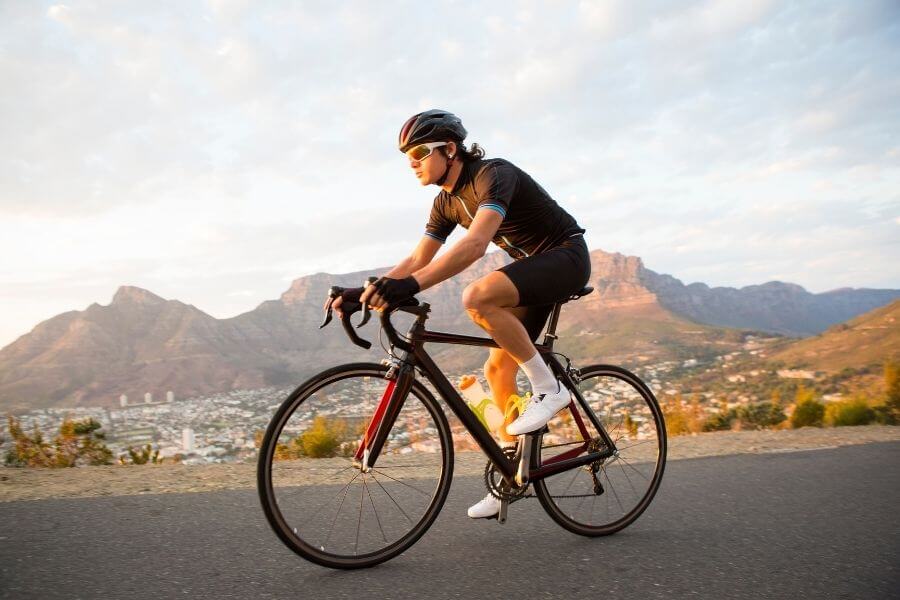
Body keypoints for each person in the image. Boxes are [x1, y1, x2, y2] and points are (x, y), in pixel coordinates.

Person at [331, 109, 591, 519]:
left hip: (565, 258)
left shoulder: (492, 174)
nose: (412, 163)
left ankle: (550, 389)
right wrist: (362, 292)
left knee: (478, 297)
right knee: (496, 372)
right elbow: (419, 257)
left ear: (450, 149)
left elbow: (475, 245)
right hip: (532, 275)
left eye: (418, 152)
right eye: (407, 158)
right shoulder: (445, 203)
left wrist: (410, 287)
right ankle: (512, 474)